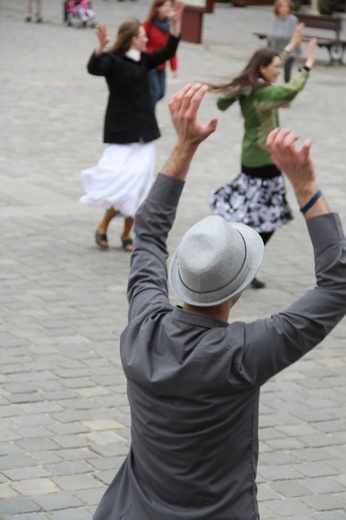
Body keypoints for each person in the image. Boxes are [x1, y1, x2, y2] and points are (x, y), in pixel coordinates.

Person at [92, 83, 346, 520]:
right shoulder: (242, 354)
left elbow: (149, 235)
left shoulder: (144, 328)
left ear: (181, 279)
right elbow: (337, 284)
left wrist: (185, 145)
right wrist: (305, 187)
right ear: (240, 288)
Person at [208, 25, 317, 288]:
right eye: (276, 68)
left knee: (254, 217)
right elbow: (290, 90)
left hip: (252, 158)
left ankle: (239, 261)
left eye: (281, 67)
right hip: (264, 162)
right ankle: (242, 264)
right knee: (267, 220)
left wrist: (291, 46)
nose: (279, 71)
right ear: (262, 69)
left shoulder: (250, 86)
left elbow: (271, 61)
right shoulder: (264, 92)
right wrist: (308, 64)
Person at [80, 2, 184, 252]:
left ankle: (128, 234)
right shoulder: (112, 61)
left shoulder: (143, 60)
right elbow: (94, 68)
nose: (147, 39)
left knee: (139, 185)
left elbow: (168, 51)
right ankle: (104, 225)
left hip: (144, 133)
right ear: (133, 39)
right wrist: (101, 46)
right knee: (120, 180)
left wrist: (176, 23)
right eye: (143, 36)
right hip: (121, 132)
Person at [143, 0, 178, 109]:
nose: (167, 8)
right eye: (164, 6)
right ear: (157, 8)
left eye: (169, 5)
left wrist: (174, 67)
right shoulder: (148, 24)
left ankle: (145, 110)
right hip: (150, 63)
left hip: (161, 64)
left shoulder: (169, 27)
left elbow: (172, 48)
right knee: (155, 92)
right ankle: (149, 117)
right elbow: (140, 43)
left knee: (161, 93)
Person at [268, 0, 300, 83]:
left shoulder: (293, 20)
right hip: (275, 49)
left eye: (286, 7)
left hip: (289, 50)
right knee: (271, 71)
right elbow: (271, 34)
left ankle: (287, 88)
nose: (284, 9)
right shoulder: (274, 18)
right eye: (281, 7)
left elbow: (290, 35)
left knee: (287, 74)